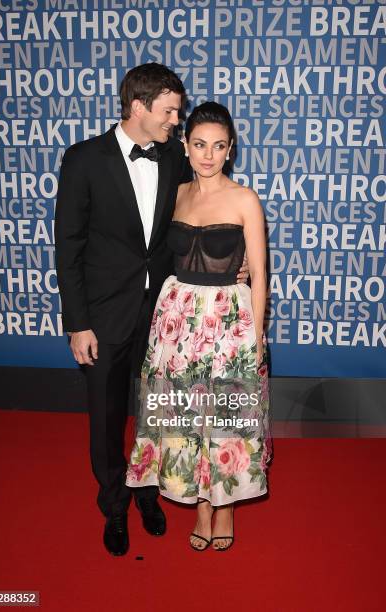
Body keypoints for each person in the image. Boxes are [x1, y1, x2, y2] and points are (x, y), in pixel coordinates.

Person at [55, 65, 249, 557]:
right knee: (105, 418)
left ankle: (149, 494)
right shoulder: (83, 160)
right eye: (169, 111)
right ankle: (115, 507)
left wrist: (235, 266)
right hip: (103, 315)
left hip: (167, 317)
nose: (176, 120)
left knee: (159, 413)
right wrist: (78, 323)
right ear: (138, 107)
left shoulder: (175, 158)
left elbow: (206, 214)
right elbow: (68, 247)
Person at [126, 102, 272, 552]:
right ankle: (200, 505)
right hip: (178, 321)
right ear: (186, 147)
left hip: (229, 319)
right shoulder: (176, 194)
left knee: (226, 414)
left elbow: (261, 274)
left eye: (219, 146)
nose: (208, 154)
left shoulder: (245, 198)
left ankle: (224, 505)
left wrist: (258, 335)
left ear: (231, 150)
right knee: (185, 413)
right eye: (200, 144)